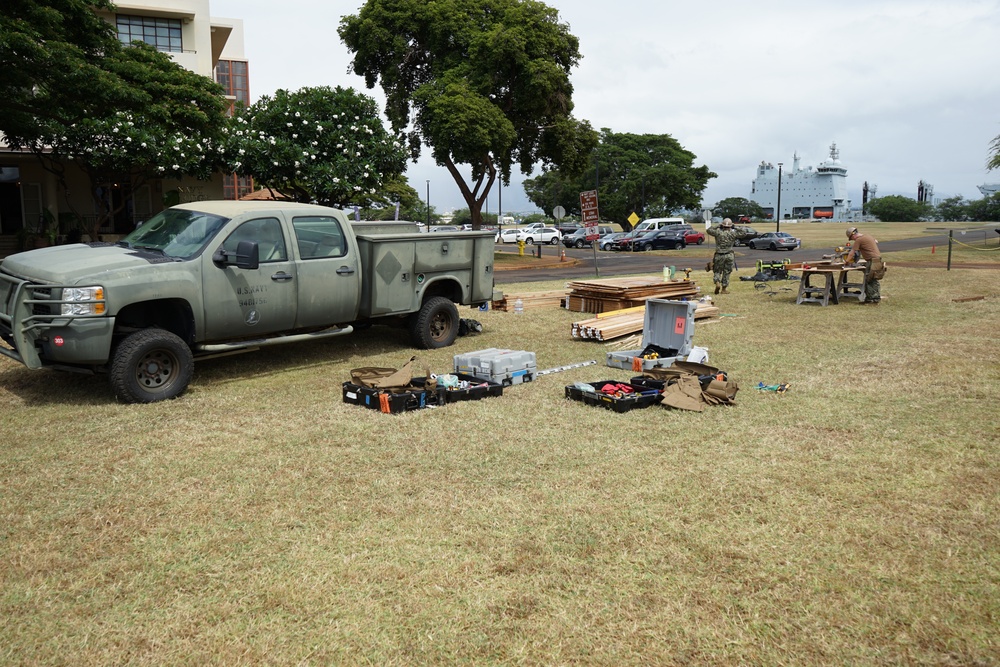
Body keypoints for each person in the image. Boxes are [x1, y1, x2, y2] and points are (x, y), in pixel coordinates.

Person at [705, 218, 754, 294]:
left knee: (717, 271)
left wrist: (718, 226)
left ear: (723, 225)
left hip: (719, 255)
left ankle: (717, 282)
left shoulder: (718, 232)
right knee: (727, 272)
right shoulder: (733, 233)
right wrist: (735, 227)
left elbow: (708, 230)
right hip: (729, 255)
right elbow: (744, 233)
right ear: (730, 226)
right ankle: (724, 289)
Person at [844, 226, 884, 305]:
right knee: (874, 279)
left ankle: (871, 300)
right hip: (877, 260)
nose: (853, 240)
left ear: (853, 234)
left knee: (869, 280)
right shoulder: (867, 236)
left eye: (852, 238)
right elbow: (876, 241)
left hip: (872, 261)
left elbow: (852, 252)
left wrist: (846, 261)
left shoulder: (859, 240)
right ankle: (874, 298)